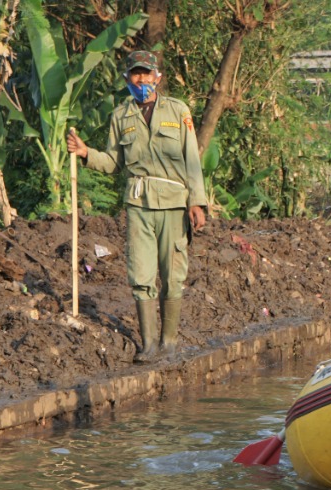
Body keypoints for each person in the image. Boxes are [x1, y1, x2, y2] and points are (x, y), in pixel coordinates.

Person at [67, 50, 207, 363]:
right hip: (138, 206)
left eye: (146, 73)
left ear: (158, 77)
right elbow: (114, 162)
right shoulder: (121, 116)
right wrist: (85, 152)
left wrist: (197, 202)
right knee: (141, 275)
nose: (141, 79)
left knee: (172, 275)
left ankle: (169, 343)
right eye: (136, 74)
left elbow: (192, 160)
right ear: (127, 78)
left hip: (174, 204)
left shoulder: (178, 110)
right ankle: (149, 345)